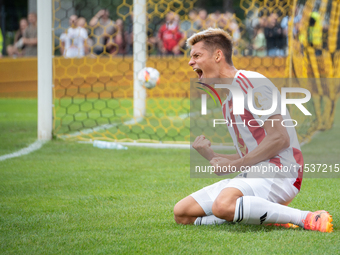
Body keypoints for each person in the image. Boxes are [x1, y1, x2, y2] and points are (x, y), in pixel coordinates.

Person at [173, 28, 333, 233]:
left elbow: (280, 138)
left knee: (223, 205)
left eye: (197, 55)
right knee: (182, 213)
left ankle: (307, 217)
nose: (190, 62)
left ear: (218, 55)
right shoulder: (227, 101)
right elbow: (249, 154)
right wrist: (211, 155)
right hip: (255, 171)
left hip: (282, 170)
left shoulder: (252, 83)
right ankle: (265, 214)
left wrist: (237, 165)